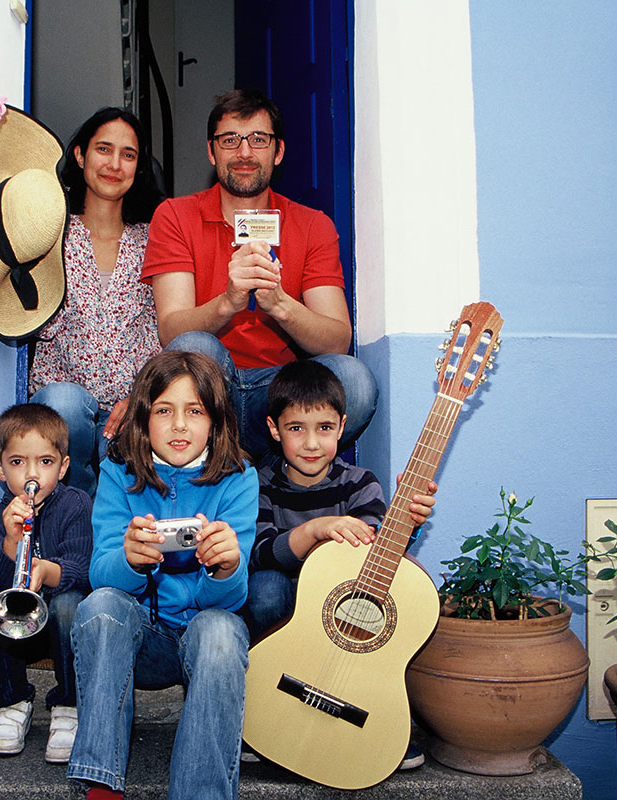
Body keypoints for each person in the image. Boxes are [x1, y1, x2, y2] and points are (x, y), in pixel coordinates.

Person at [142, 88, 378, 456]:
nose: (245, 153)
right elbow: (172, 332)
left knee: (355, 380)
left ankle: (277, 471)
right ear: (211, 151)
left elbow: (337, 341)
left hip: (280, 390)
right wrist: (229, 301)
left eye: (258, 139)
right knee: (193, 349)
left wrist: (281, 304)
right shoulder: (174, 215)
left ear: (278, 151)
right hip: (208, 391)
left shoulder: (312, 225)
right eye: (230, 140)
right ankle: (219, 468)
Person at [67, 351, 258, 800]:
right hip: (143, 641)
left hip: (202, 635)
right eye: (164, 411)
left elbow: (229, 601)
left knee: (220, 631)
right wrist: (130, 561)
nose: (178, 426)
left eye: (195, 411)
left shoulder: (238, 478)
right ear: (142, 418)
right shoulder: (119, 471)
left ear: (215, 421)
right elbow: (100, 575)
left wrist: (228, 567)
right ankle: (101, 785)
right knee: (100, 607)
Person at [244, 360, 436, 769]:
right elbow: (258, 552)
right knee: (264, 587)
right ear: (275, 429)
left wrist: (406, 522)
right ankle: (265, 707)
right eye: (296, 428)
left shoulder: (360, 483)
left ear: (342, 426)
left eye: (325, 428)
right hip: (288, 625)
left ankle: (376, 717)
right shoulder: (259, 484)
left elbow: (376, 553)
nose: (312, 443)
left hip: (344, 617)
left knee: (390, 605)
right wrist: (315, 530)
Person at [30, 108, 165, 496]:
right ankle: (76, 509)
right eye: (103, 149)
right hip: (65, 401)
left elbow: (166, 330)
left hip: (133, 402)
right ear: (80, 155)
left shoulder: (155, 238)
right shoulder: (50, 232)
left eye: (128, 154)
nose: (114, 164)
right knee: (64, 404)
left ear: (138, 166)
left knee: (132, 454)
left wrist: (141, 394)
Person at [0, 403, 93, 763]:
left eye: (45, 462)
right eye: (17, 462)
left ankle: (68, 706)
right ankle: (11, 703)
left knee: (70, 604)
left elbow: (84, 569)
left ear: (64, 466)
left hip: (60, 623)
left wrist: (46, 571)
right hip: (18, 628)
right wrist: (10, 544)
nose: (32, 474)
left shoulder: (76, 504)